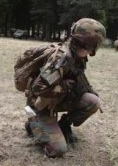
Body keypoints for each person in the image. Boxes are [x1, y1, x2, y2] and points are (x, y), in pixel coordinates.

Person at [15, 18, 106, 157]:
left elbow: (78, 78)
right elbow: (37, 88)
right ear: (91, 45)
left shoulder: (78, 56)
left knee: (92, 101)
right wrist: (64, 86)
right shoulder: (62, 58)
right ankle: (34, 125)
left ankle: (63, 126)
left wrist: (88, 90)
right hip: (40, 105)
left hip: (56, 99)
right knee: (57, 150)